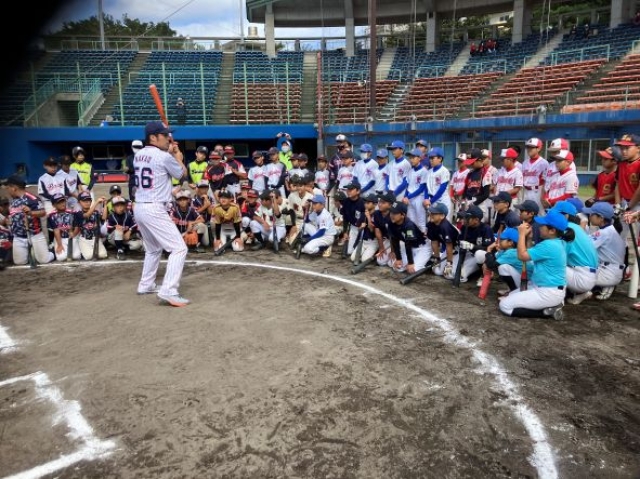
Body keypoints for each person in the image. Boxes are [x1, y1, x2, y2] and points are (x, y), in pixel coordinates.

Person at [132, 121, 190, 306]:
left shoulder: (138, 155)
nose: (168, 138)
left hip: (140, 206)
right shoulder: (163, 157)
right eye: (164, 135)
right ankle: (169, 290)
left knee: (154, 249)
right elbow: (182, 175)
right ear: (153, 137)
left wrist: (170, 153)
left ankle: (146, 284)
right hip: (154, 208)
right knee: (179, 248)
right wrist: (178, 156)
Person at [498, 211, 569, 320]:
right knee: (507, 298)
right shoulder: (557, 242)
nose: (539, 227)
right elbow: (530, 253)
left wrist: (521, 235)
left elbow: (522, 256)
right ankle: (550, 306)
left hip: (547, 291)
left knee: (504, 305)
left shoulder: (549, 245)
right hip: (546, 288)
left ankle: (546, 312)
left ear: (552, 230)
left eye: (543, 225)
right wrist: (529, 238)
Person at [550, 201, 599, 304]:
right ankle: (580, 293)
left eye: (556, 214)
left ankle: (556, 299)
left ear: (566, 216)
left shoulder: (566, 229)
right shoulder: (575, 227)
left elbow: (557, 257)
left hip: (582, 277)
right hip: (589, 275)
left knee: (549, 263)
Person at [579, 201, 626, 302]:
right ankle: (601, 287)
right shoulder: (609, 230)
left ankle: (604, 286)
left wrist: (582, 225)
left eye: (592, 214)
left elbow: (582, 246)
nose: (590, 216)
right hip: (610, 269)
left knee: (577, 274)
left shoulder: (605, 232)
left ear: (601, 218)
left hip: (608, 273)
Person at [5, 174, 54, 265]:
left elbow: (43, 212)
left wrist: (30, 212)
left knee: (44, 260)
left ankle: (52, 251)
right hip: (19, 237)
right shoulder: (13, 201)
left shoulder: (32, 198)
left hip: (34, 234)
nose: (7, 190)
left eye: (8, 188)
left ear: (14, 188)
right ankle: (31, 254)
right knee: (19, 262)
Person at [388, 201, 432, 274]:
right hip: (410, 247)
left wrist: (410, 263)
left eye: (395, 213)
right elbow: (394, 240)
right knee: (397, 267)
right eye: (391, 212)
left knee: (412, 270)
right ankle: (416, 260)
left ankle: (428, 262)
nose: (392, 215)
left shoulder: (409, 225)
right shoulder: (392, 222)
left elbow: (408, 244)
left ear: (403, 215)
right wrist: (398, 259)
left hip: (422, 247)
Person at [75, 190, 108, 260]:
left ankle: (89, 249)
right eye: (84, 201)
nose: (87, 202)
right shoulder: (78, 213)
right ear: (79, 202)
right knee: (89, 256)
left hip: (95, 239)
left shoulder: (95, 212)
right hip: (84, 239)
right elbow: (87, 215)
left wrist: (105, 205)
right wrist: (96, 202)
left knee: (103, 255)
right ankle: (82, 250)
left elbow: (104, 218)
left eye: (89, 200)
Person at [48, 194, 80, 262]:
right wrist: (59, 245)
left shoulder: (73, 213)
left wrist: (73, 234)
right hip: (60, 238)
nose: (62, 204)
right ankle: (53, 249)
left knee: (76, 256)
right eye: (59, 202)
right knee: (61, 258)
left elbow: (77, 227)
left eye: (63, 201)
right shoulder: (51, 216)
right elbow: (56, 231)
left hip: (72, 237)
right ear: (54, 205)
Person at [403, 148, 427, 233]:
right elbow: (408, 186)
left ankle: (424, 240)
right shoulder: (410, 171)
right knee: (411, 221)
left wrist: (408, 197)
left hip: (419, 198)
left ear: (419, 158)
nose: (411, 160)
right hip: (410, 199)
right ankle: (414, 239)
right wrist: (405, 196)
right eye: (410, 158)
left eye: (413, 157)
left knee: (421, 222)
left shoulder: (424, 171)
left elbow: (421, 188)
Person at [424, 147, 452, 222]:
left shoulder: (444, 171)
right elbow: (426, 187)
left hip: (442, 201)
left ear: (440, 158)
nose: (430, 160)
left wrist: (430, 201)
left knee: (444, 224)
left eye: (433, 158)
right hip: (431, 201)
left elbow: (441, 189)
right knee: (431, 224)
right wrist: (426, 199)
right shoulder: (429, 172)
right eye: (430, 158)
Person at [522, 138, 549, 215]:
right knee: (526, 213)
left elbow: (546, 181)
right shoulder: (525, 162)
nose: (529, 149)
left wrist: (543, 196)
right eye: (528, 147)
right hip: (526, 191)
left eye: (532, 147)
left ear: (539, 148)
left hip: (538, 191)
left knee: (540, 214)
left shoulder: (544, 163)